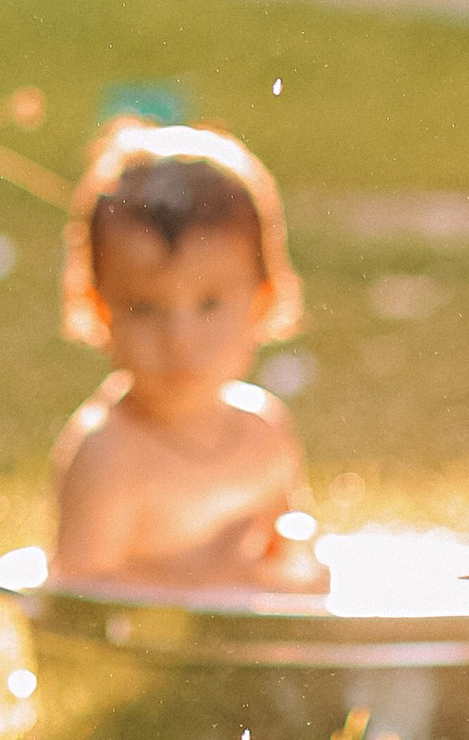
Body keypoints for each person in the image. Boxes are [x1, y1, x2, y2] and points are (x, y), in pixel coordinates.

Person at [49, 119, 322, 592]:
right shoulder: (110, 456)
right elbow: (81, 604)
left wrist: (299, 571)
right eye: (144, 308)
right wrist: (216, 582)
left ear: (263, 300)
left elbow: (295, 557)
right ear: (100, 310)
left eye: (210, 304)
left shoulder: (264, 431)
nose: (180, 338)